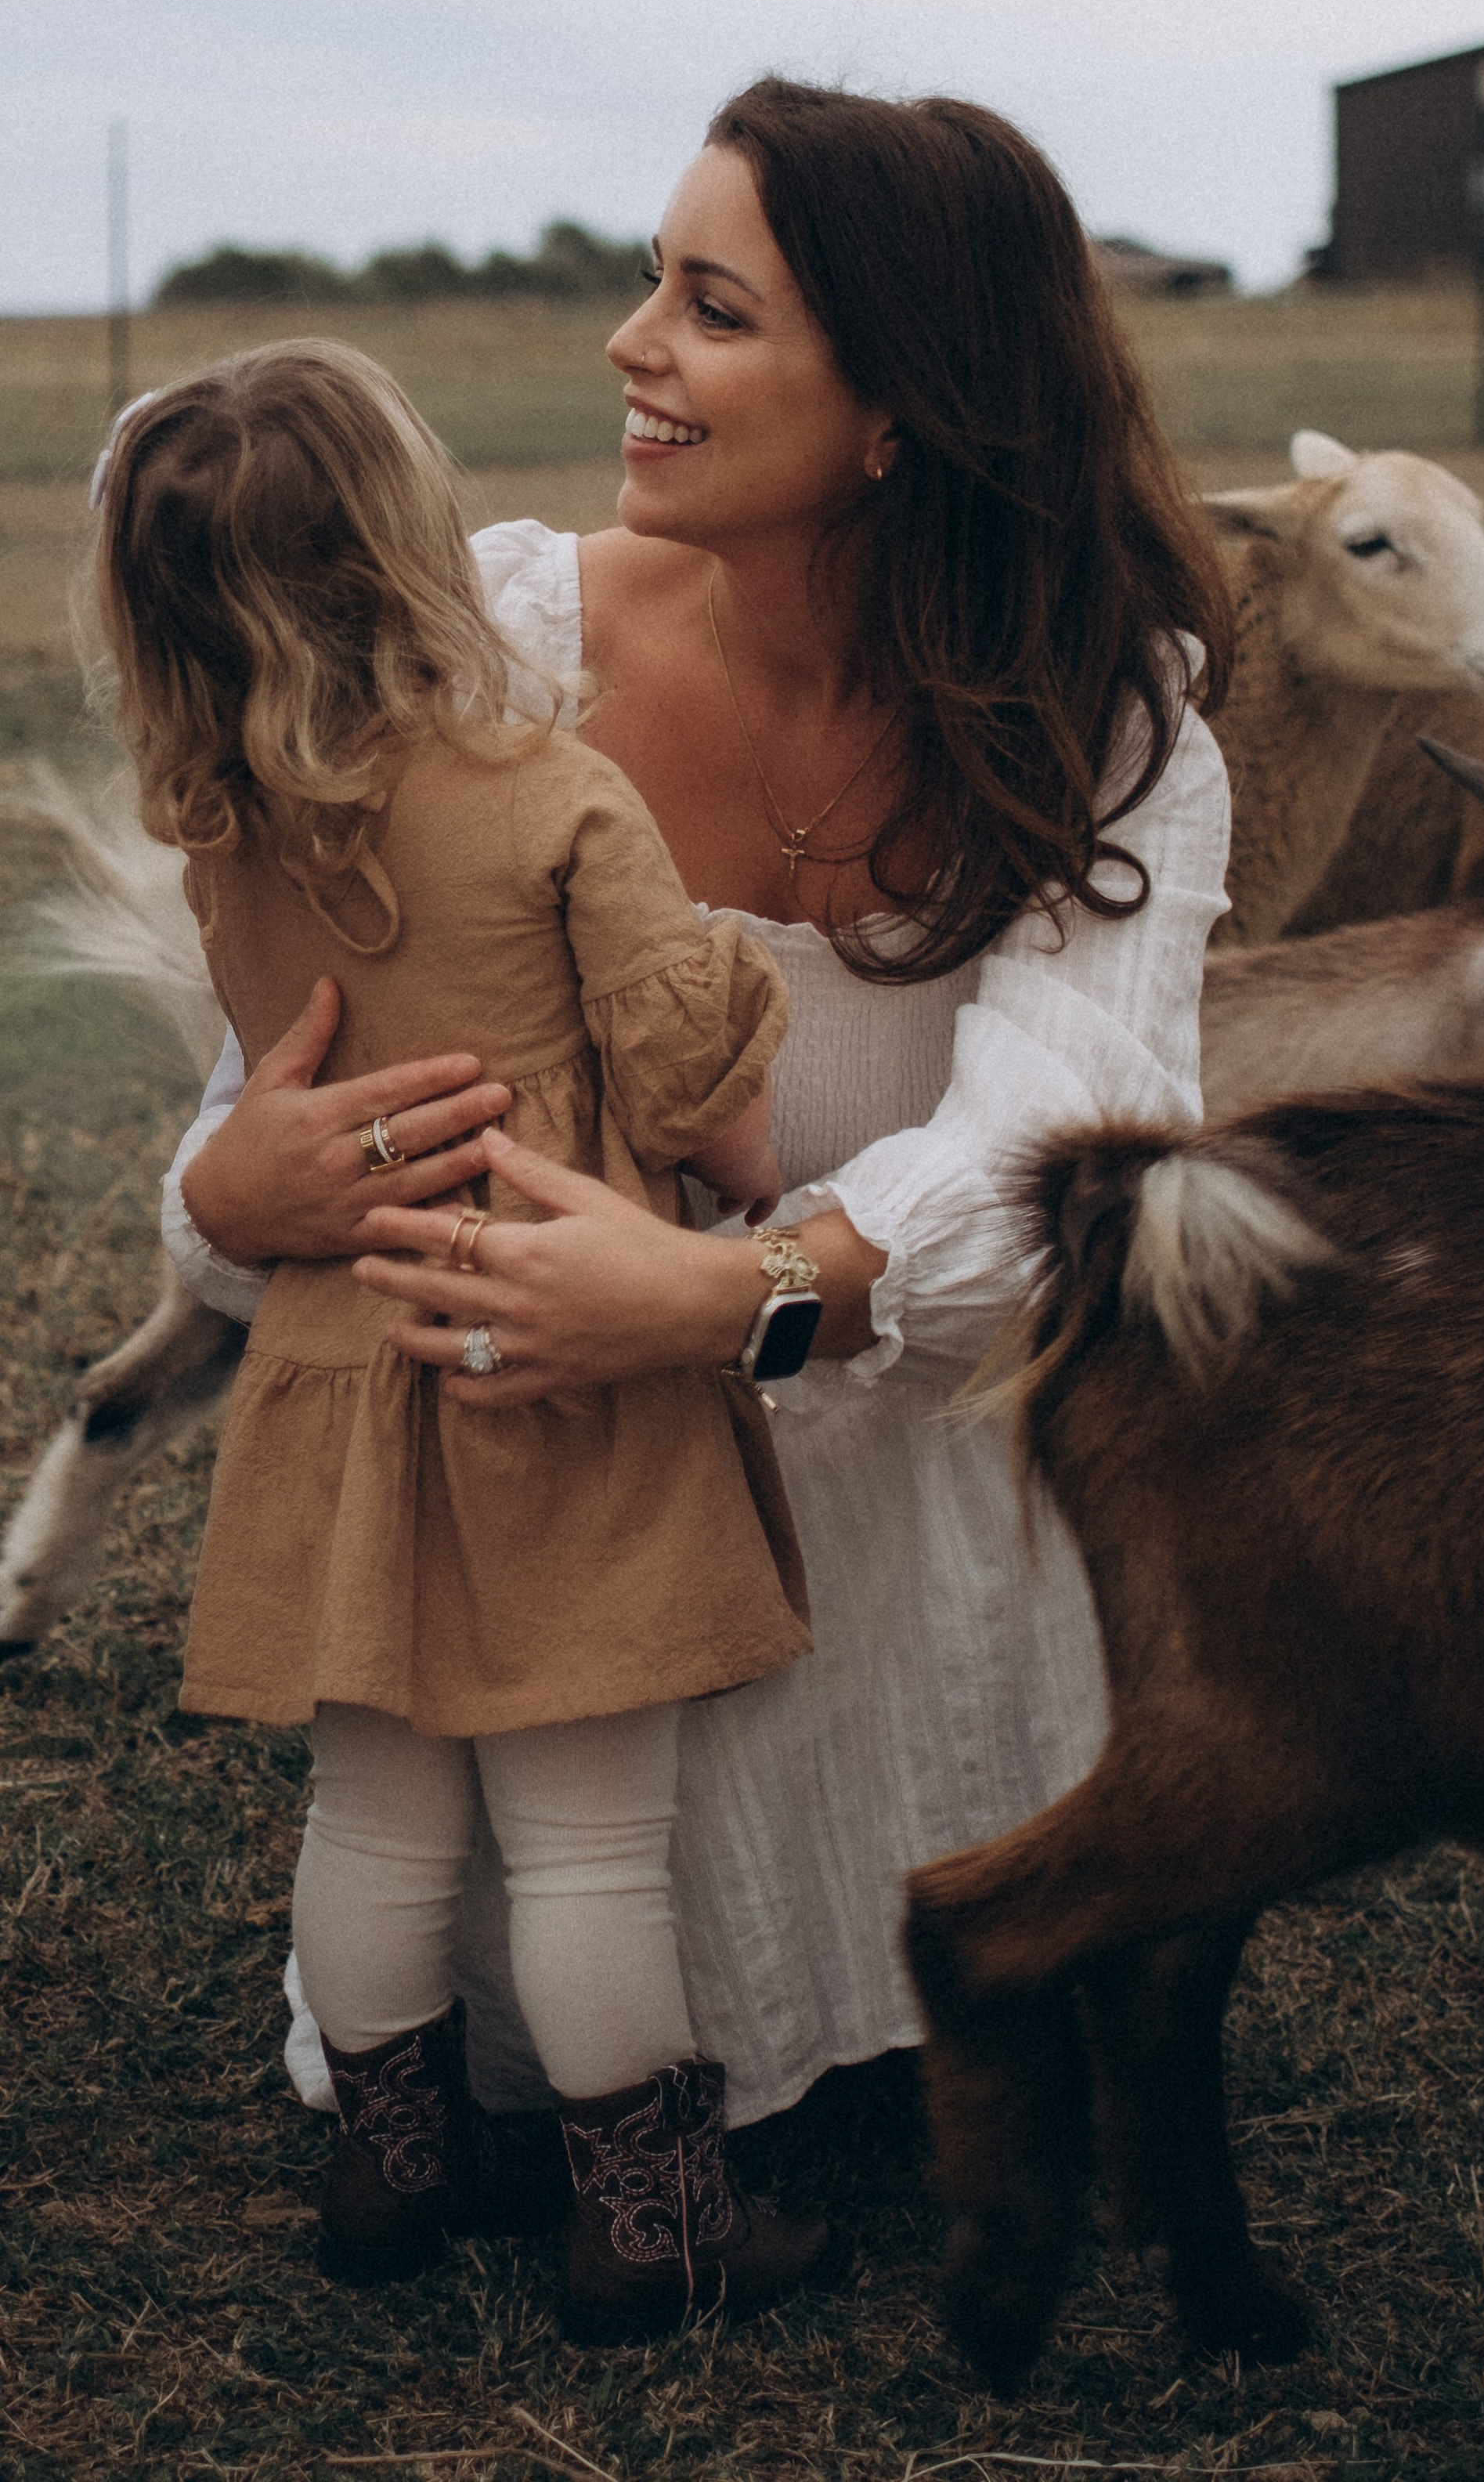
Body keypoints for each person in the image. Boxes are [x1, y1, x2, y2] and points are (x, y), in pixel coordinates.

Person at [163, 78, 1236, 2264]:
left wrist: (730, 1296)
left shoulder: (1105, 728)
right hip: (524, 1491)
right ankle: (527, 2119)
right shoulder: (486, 645)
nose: (630, 344)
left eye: (713, 308)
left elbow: (1073, 1149)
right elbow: (260, 1079)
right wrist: (231, 1193)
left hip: (899, 1511)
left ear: (901, 408)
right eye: (654, 283)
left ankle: (886, 1963)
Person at [99, 338, 829, 2341]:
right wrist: (745, 1089)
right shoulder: (552, 792)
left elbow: (287, 1080)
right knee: (589, 1840)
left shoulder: (227, 841)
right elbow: (686, 1084)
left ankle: (393, 2166)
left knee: (375, 1811)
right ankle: (651, 2222)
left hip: (345, 1367)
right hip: (548, 1352)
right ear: (406, 545)